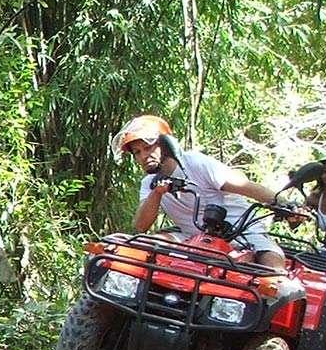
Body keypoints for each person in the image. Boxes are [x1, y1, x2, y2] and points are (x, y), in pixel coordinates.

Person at [115, 114, 293, 268]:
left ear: (166, 144)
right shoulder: (149, 183)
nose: (143, 156)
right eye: (137, 152)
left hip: (241, 232)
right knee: (145, 244)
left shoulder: (195, 163)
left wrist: (284, 204)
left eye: (148, 148)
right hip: (193, 237)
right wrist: (157, 192)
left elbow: (247, 187)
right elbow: (140, 226)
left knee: (272, 266)